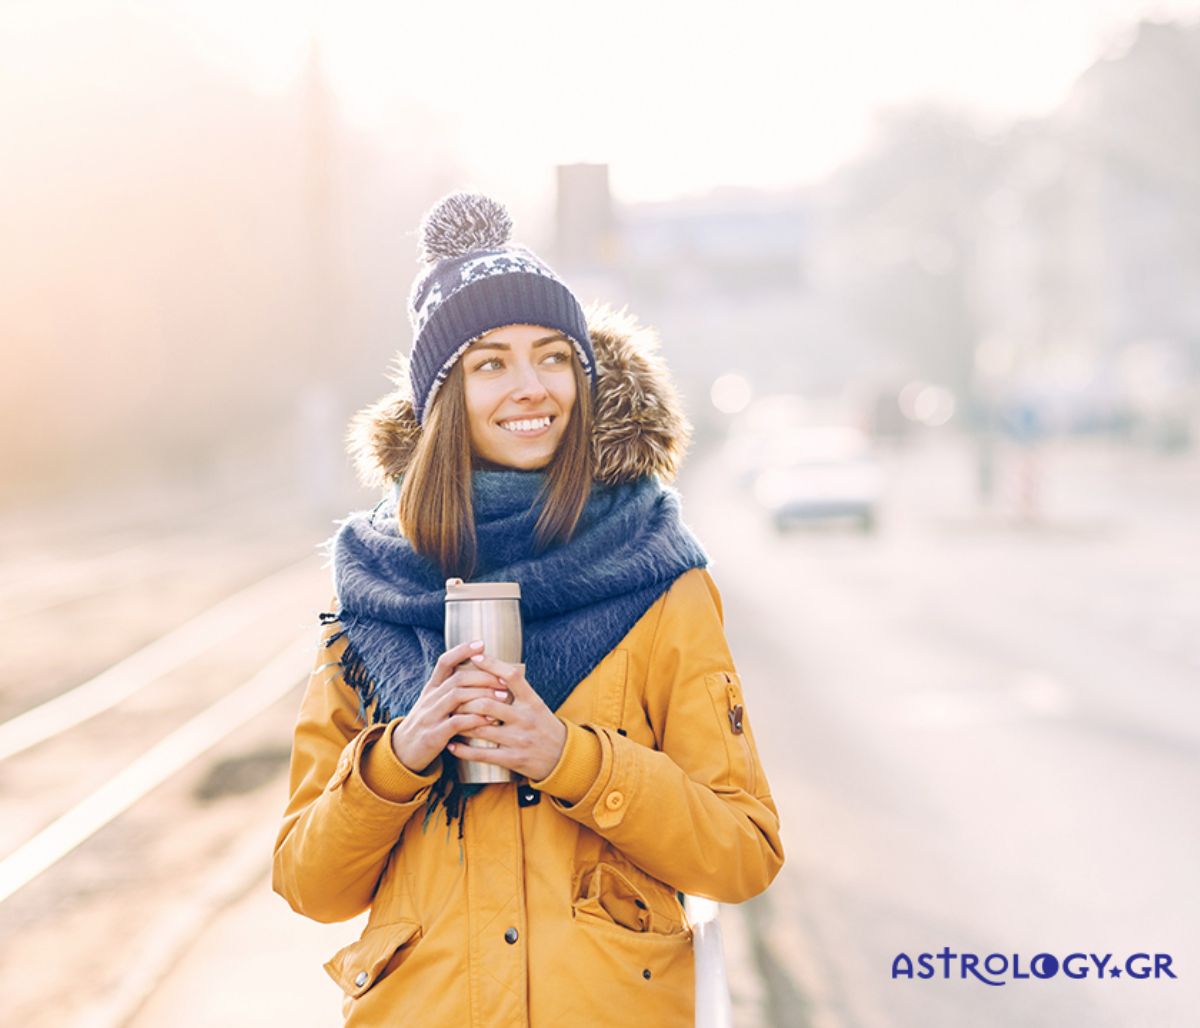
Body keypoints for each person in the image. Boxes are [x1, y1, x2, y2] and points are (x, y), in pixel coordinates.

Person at [272, 192, 784, 1027]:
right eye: (490, 364)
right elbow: (309, 884)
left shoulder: (658, 580)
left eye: (553, 357)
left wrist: (571, 760)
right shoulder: (375, 593)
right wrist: (400, 755)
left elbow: (742, 856)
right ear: (445, 398)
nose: (531, 388)